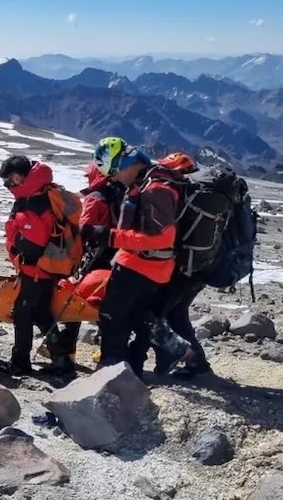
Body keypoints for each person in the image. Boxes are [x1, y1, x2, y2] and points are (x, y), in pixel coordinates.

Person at [83, 137, 182, 378]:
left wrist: (111, 236)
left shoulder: (155, 189)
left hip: (142, 265)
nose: (114, 178)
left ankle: (111, 373)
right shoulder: (149, 184)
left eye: (115, 171)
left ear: (127, 164)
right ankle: (135, 369)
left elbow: (163, 237)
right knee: (134, 316)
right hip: (150, 266)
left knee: (113, 318)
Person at [48, 161, 127, 377]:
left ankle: (67, 352)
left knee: (73, 302)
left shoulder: (95, 197)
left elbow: (84, 230)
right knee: (105, 309)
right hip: (113, 258)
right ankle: (107, 355)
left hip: (91, 259)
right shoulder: (119, 193)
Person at [152, 152, 212, 377]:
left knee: (155, 313)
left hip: (182, 267)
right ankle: (196, 363)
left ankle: (173, 357)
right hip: (202, 267)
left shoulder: (181, 197)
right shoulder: (205, 200)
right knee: (176, 312)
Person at [0, 155, 60, 376]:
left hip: (34, 269)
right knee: (42, 313)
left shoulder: (33, 202)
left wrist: (16, 241)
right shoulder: (42, 194)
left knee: (23, 314)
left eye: (9, 181)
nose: (8, 186)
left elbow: (34, 242)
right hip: (47, 267)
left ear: (19, 176)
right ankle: (62, 360)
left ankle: (20, 362)